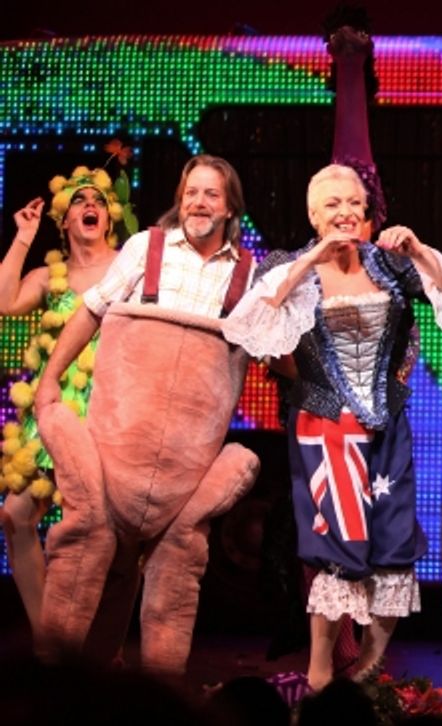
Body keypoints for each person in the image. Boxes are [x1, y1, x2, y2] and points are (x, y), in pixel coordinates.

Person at [222, 163, 442, 690]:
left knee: (393, 541)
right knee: (337, 542)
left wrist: (416, 250)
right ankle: (322, 669)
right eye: (332, 204)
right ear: (312, 214)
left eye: (354, 203)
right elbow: (253, 324)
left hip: (386, 424)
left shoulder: (387, 264)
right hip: (324, 423)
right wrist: (312, 261)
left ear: (367, 213)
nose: (345, 212)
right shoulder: (288, 267)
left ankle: (372, 659)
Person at [30, 154, 261, 674]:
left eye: (212, 195)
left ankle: (158, 698)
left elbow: (272, 350)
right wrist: (50, 380)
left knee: (172, 582)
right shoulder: (145, 248)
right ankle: (61, 682)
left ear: (229, 208)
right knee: (97, 560)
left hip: (185, 472)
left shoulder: (246, 275)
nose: (199, 203)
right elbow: (91, 309)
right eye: (192, 191)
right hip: (118, 455)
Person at [0, 164, 125, 633]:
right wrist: (22, 237)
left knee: (106, 534)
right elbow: (3, 300)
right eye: (78, 201)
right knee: (15, 515)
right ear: (64, 219)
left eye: (96, 200)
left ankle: (100, 646)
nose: (88, 206)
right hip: (52, 411)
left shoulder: (125, 265)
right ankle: (46, 643)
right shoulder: (49, 276)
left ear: (109, 216)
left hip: (109, 409)